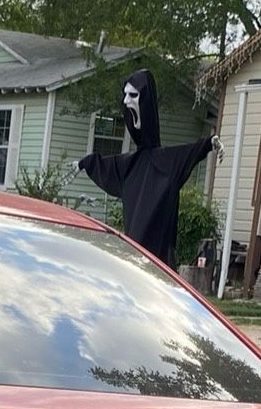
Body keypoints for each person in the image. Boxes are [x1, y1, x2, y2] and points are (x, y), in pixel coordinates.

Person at [77, 67, 218, 268]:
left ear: (145, 100)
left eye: (133, 95)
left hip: (156, 262)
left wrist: (210, 143)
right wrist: (83, 163)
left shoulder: (167, 163)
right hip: (131, 260)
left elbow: (190, 151)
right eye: (125, 95)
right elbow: (106, 166)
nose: (127, 101)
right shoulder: (130, 165)